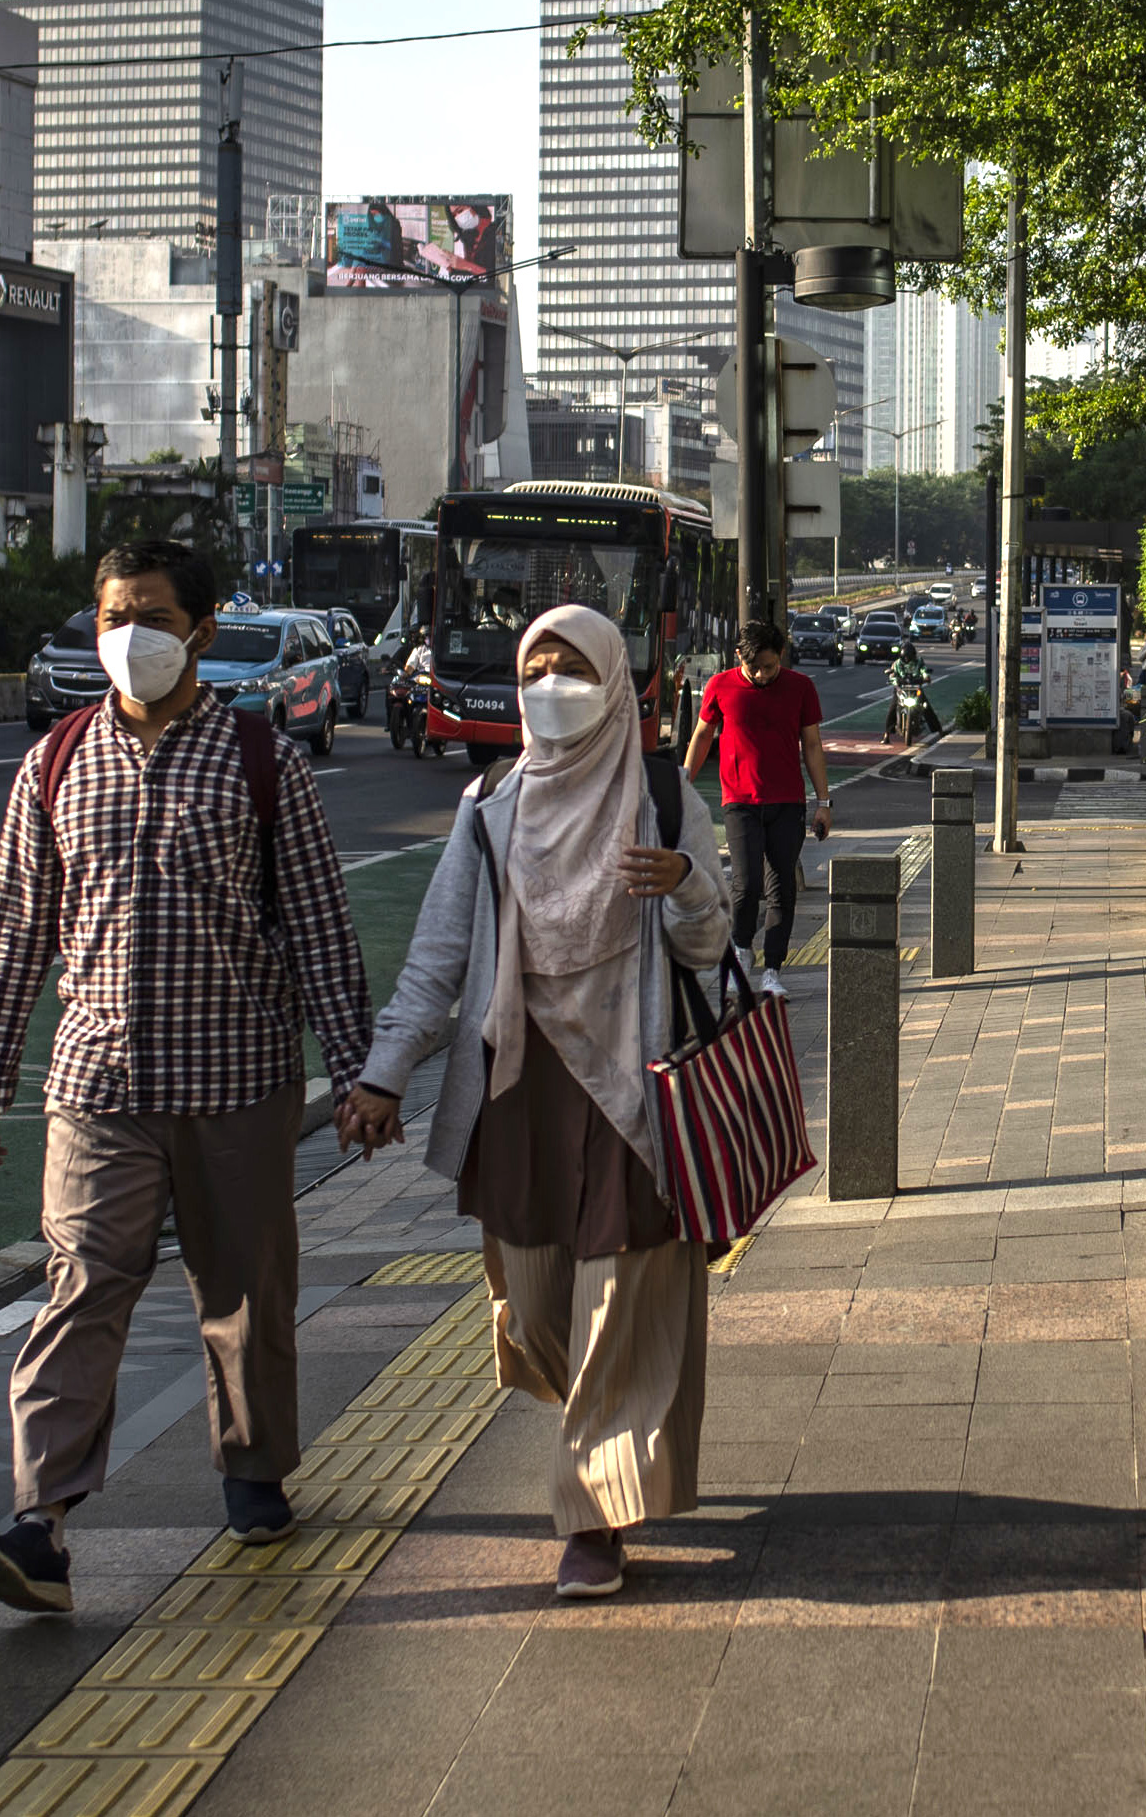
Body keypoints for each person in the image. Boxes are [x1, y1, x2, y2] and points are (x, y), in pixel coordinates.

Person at [0, 538, 372, 1616]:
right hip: (97, 1085)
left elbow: (320, 928)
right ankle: (39, 1522)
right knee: (80, 1288)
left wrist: (362, 1074)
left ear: (200, 631)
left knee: (244, 1292)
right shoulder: (54, 764)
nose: (127, 636)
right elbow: (14, 931)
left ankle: (252, 1467)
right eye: (111, 617)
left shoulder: (261, 760)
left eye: (150, 615)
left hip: (237, 1081)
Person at [343, 605, 733, 1600]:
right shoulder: (489, 807)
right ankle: (604, 1434)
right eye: (536, 667)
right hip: (519, 1091)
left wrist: (684, 884)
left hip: (632, 1088)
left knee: (619, 1309)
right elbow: (438, 957)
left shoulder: (658, 796)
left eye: (572, 667)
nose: (550, 685)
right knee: (533, 1312)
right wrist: (387, 1071)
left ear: (613, 683)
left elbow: (710, 948)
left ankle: (594, 1517)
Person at [684, 619, 831, 999]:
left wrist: (823, 802)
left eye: (769, 666)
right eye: (755, 668)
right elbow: (702, 735)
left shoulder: (801, 688)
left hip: (787, 803)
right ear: (739, 658)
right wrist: (684, 781)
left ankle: (773, 971)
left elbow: (812, 746)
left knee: (781, 888)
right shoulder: (721, 686)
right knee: (746, 884)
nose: (763, 675)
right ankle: (740, 954)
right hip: (740, 803)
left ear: (780, 655)